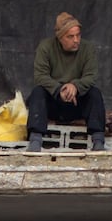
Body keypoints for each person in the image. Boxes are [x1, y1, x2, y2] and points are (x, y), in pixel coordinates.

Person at [26, 12, 106, 151]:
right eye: (70, 36)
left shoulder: (88, 49)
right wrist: (59, 90)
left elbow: (91, 76)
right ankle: (35, 141)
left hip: (77, 103)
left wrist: (75, 86)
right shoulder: (46, 47)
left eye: (78, 35)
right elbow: (40, 76)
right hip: (54, 102)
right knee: (38, 92)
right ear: (60, 38)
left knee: (95, 94)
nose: (76, 40)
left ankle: (98, 141)